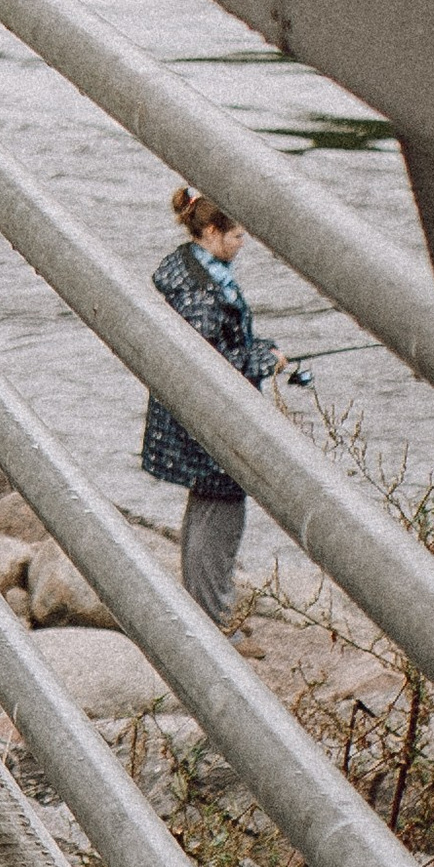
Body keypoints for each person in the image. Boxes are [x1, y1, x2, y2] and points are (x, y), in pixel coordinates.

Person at [141, 187, 279, 623]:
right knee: (224, 513)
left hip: (182, 419)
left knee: (206, 504)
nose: (243, 244)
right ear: (214, 231)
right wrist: (265, 358)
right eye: (238, 236)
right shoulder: (202, 293)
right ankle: (217, 624)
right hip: (208, 422)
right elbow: (212, 362)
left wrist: (258, 349)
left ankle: (202, 611)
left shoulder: (186, 267)